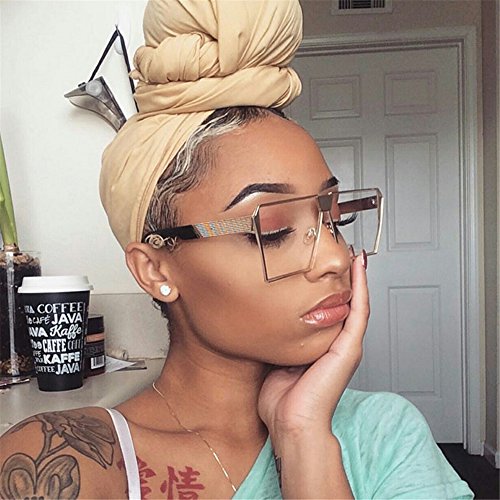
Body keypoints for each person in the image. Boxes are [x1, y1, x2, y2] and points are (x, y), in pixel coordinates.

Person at [0, 1, 474, 499]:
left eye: (334, 219)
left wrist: (303, 436)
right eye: (272, 230)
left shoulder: (386, 434)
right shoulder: (66, 459)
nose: (336, 258)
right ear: (156, 269)